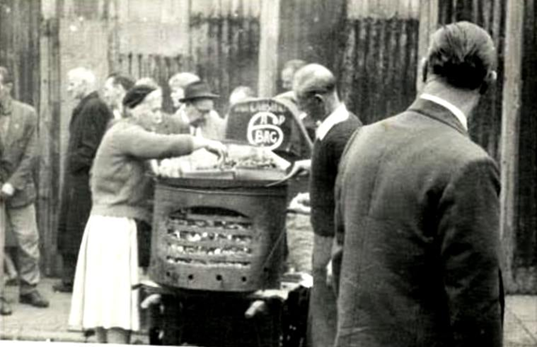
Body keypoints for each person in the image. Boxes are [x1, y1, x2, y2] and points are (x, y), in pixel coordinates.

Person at [333, 22, 504, 347]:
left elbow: (341, 261)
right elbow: (475, 306)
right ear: (490, 82)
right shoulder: (469, 164)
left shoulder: (362, 139)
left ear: (424, 66)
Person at [68, 85, 227, 344]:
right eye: (152, 110)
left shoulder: (123, 132)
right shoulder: (125, 133)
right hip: (116, 227)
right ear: (133, 109)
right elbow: (162, 145)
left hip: (108, 223)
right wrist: (204, 143)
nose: (157, 116)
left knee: (104, 304)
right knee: (116, 304)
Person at [291, 64, 362, 347]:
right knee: (320, 319)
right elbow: (336, 175)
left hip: (333, 242)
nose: (302, 113)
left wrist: (338, 256)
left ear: (319, 100)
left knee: (327, 325)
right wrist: (314, 185)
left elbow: (353, 194)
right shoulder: (332, 128)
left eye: (303, 105)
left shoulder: (344, 134)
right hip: (325, 240)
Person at [55, 67, 113, 293]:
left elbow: (92, 147)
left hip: (84, 180)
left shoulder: (94, 107)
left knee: (78, 228)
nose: (68, 89)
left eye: (71, 84)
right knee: (71, 228)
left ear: (84, 84)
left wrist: (74, 162)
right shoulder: (86, 107)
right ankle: (71, 280)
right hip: (77, 178)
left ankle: (77, 282)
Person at [0, 66, 49, 314]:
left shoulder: (27, 113)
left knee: (29, 240)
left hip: (19, 188)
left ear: (8, 87)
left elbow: (31, 155)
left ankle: (29, 288)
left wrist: (11, 184)